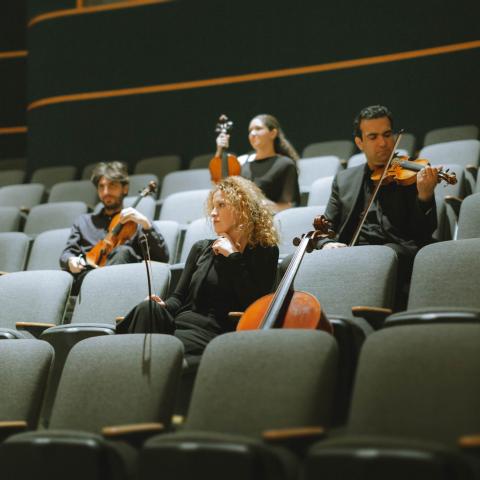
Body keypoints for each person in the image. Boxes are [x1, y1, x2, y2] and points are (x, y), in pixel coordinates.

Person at [117, 176, 279, 362]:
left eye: (221, 205)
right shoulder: (201, 248)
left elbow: (255, 303)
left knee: (153, 347)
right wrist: (163, 305)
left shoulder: (264, 251)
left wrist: (233, 256)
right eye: (213, 207)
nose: (213, 213)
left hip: (215, 332)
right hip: (180, 324)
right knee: (148, 309)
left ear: (242, 209)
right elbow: (178, 299)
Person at [318, 105, 440, 309]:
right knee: (292, 264)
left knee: (388, 254)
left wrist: (425, 196)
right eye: (373, 137)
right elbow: (326, 226)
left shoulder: (411, 173)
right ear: (360, 143)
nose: (383, 143)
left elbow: (423, 232)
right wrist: (325, 244)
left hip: (395, 251)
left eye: (387, 134)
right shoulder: (344, 179)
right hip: (352, 251)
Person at [60, 161, 169, 294]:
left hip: (124, 285)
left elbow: (162, 258)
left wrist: (146, 225)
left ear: (125, 188)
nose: (106, 192)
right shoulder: (83, 222)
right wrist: (71, 261)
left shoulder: (135, 221)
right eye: (101, 187)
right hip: (86, 280)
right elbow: (67, 253)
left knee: (123, 251)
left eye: (112, 185)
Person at [216, 113, 300, 212]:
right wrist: (219, 152)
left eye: (258, 128)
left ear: (273, 133)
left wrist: (269, 207)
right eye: (250, 130)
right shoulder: (242, 164)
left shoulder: (285, 164)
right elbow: (223, 187)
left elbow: (291, 205)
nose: (252, 133)